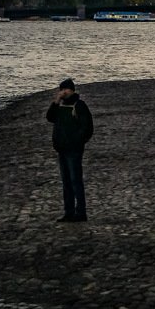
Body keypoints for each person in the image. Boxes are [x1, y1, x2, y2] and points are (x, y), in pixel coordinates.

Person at [46, 78, 94, 222]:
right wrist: (56, 101)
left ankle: (81, 213)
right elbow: (50, 117)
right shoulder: (60, 106)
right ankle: (69, 212)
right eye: (62, 89)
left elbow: (87, 127)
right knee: (66, 182)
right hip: (62, 149)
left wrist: (77, 141)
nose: (64, 92)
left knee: (75, 181)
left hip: (73, 150)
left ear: (72, 90)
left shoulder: (79, 105)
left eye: (66, 89)